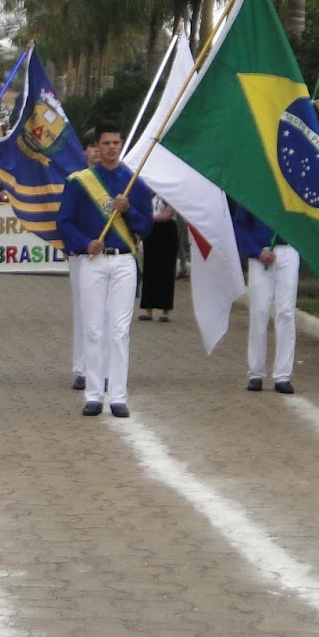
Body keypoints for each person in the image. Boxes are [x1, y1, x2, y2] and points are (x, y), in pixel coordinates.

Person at [56, 121, 154, 419]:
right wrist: (85, 244)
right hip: (93, 261)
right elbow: (64, 221)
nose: (111, 148)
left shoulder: (133, 182)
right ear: (96, 146)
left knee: (119, 330)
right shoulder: (79, 181)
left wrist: (129, 211)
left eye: (116, 143)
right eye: (106, 143)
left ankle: (118, 396)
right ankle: (94, 394)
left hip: (124, 260)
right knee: (94, 328)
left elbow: (146, 226)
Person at [233, 203, 300, 394]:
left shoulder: (292, 183)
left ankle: (283, 375)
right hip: (260, 252)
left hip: (288, 249)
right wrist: (255, 250)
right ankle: (256, 373)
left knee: (286, 313)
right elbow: (240, 225)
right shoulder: (254, 186)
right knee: (259, 312)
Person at [66, 129, 98, 391]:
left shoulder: (119, 180)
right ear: (85, 151)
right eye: (93, 145)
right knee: (84, 311)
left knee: (110, 316)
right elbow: (66, 219)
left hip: (112, 255)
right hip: (83, 254)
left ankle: (105, 366)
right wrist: (74, 244)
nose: (98, 150)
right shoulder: (77, 181)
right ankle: (82, 367)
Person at [138, 195, 179, 323]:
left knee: (166, 270)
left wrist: (145, 219)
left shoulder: (170, 195)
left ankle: (165, 310)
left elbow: (168, 214)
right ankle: (148, 309)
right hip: (151, 232)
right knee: (150, 269)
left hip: (166, 231)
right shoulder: (149, 196)